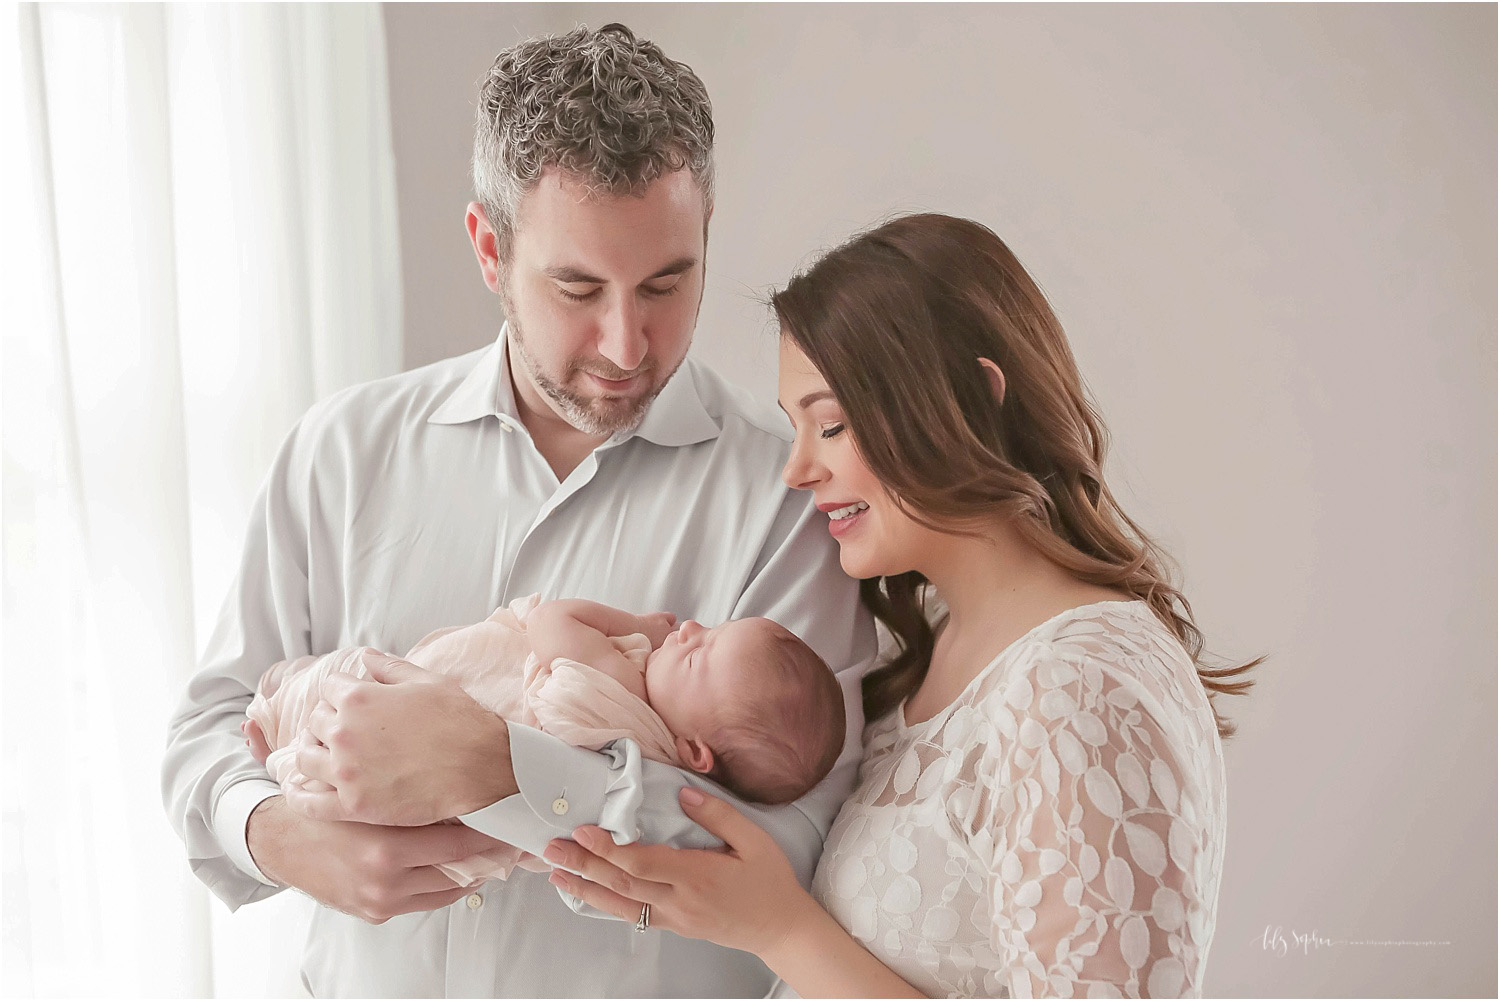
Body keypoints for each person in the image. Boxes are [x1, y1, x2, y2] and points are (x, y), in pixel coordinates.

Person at [160, 23, 875, 998]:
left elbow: (797, 847)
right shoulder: (343, 451)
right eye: (579, 287)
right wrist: (277, 835)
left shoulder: (787, 497)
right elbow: (209, 722)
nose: (628, 341)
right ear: (489, 248)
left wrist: (506, 768)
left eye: (667, 282)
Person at [543, 213, 1260, 998]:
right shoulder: (930, 662)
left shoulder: (1078, 685)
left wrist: (782, 928)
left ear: (976, 401)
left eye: (833, 423)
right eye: (796, 429)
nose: (797, 470)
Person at [245, 596, 844, 883]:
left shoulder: (617, 686)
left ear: (694, 752)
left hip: (421, 706)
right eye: (708, 630)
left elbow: (552, 621)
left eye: (697, 657)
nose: (686, 630)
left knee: (334, 685)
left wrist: (633, 626)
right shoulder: (649, 770)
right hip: (466, 831)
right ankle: (283, 754)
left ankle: (274, 712)